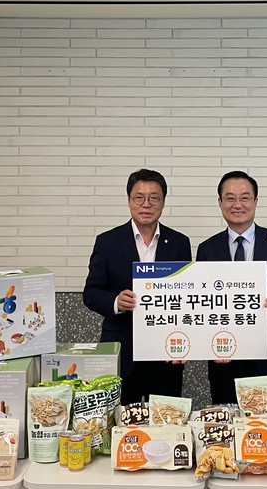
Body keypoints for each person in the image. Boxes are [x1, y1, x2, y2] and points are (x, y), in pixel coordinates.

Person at [196, 170, 267, 404]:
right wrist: (208, 344)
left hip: (266, 354)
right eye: (230, 198)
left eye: (245, 198)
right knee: (226, 419)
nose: (237, 204)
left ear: (255, 201)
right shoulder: (207, 248)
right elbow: (200, 303)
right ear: (220, 203)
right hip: (223, 357)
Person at [83, 169, 191, 404]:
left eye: (154, 198)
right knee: (120, 420)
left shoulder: (179, 243)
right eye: (139, 197)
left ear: (163, 202)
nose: (146, 204)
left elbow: (185, 297)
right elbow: (91, 293)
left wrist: (185, 342)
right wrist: (116, 302)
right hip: (123, 352)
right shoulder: (108, 242)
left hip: (165, 354)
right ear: (129, 200)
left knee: (166, 419)